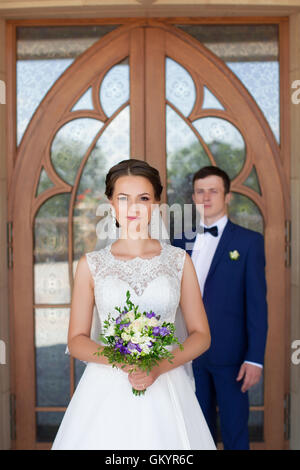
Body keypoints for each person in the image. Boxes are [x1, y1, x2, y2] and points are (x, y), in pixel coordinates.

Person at [51, 159, 216, 450]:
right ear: (110, 204)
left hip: (167, 383)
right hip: (106, 386)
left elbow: (201, 335)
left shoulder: (179, 261)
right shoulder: (91, 265)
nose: (133, 208)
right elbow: (76, 341)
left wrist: (158, 367)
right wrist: (124, 361)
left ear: (156, 204)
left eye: (143, 198)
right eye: (123, 199)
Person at [172, 166, 268, 450]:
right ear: (193, 196)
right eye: (200, 191)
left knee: (235, 430)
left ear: (227, 196)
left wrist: (255, 358)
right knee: (195, 432)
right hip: (187, 354)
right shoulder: (179, 242)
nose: (206, 197)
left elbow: (257, 304)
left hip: (232, 357)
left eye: (213, 191)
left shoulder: (249, 242)